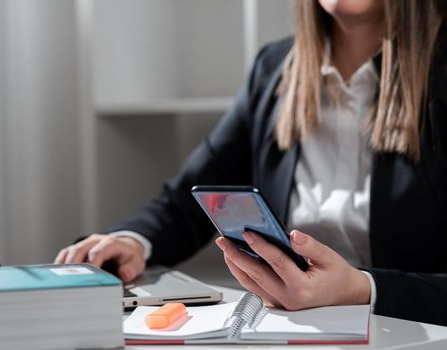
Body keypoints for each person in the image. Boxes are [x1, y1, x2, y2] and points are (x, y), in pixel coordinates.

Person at [56, 0, 447, 326]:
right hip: (293, 331)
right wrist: (133, 241)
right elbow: (186, 200)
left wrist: (364, 289)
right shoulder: (273, 69)